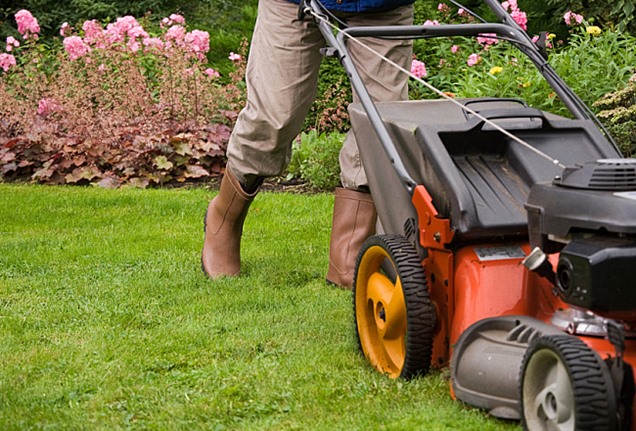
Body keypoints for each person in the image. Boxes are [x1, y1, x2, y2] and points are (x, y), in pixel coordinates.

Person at [201, 0, 415, 288]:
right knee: (274, 116)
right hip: (291, 3)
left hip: (382, 6)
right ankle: (224, 216)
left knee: (379, 122)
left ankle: (348, 254)